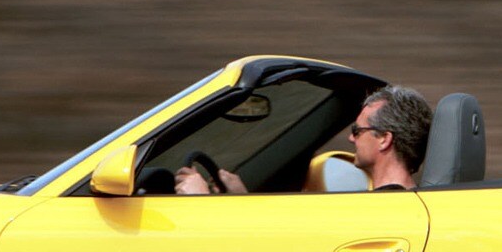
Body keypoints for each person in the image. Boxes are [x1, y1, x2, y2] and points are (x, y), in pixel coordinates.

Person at [174, 84, 433, 194]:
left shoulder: (383, 209)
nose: (350, 138)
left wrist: (200, 202)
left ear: (384, 140)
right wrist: (241, 197)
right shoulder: (398, 204)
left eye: (357, 130)